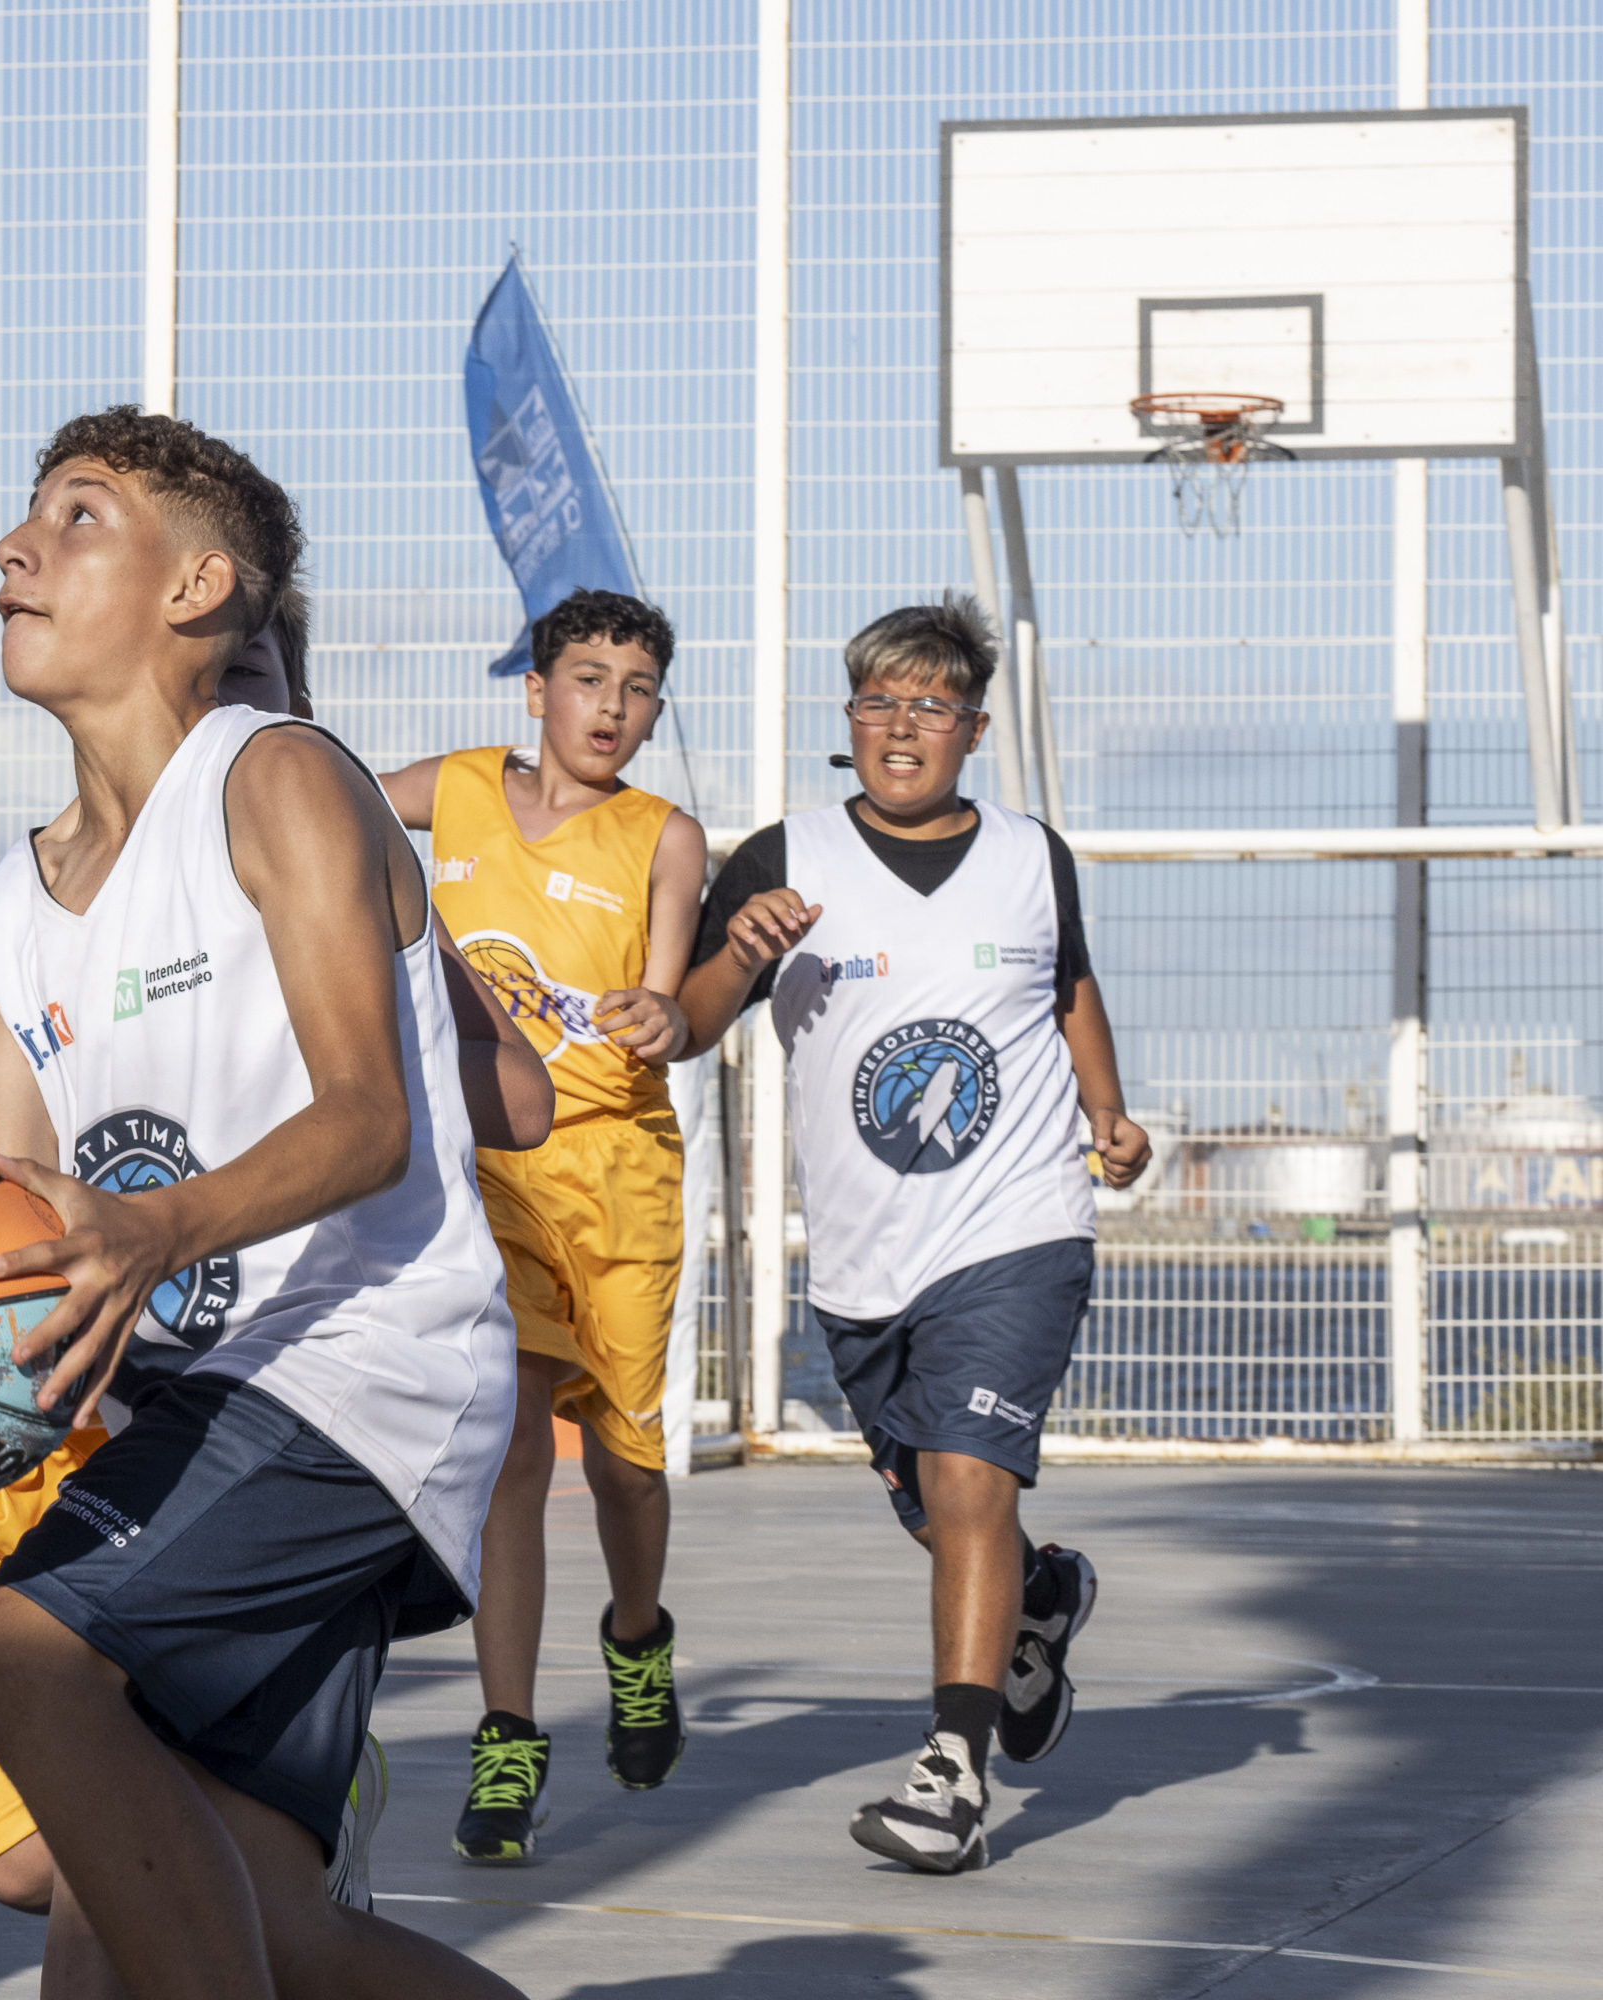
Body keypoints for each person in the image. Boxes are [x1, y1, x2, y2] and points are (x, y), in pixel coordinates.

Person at [0, 404, 526, 1999]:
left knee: (19, 1656)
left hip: (363, 1368)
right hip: (198, 1400)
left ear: (198, 587)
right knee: (204, 1924)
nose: (16, 547)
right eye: (24, 516)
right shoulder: (10, 906)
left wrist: (153, 1226)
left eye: (76, 518)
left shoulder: (281, 778)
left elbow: (371, 1124)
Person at [675, 594, 1148, 1875]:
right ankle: (1037, 1599)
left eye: (929, 703)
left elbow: (1067, 984)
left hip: (1019, 1225)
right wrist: (737, 953)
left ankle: (952, 1773)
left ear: (973, 728)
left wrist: (1107, 1110)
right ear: (850, 720)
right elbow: (689, 1022)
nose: (901, 724)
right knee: (942, 1507)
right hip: (865, 1259)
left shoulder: (1031, 855)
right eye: (879, 700)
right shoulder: (784, 855)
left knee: (968, 1479)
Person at [376, 587, 705, 1862]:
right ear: (536, 687)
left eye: (634, 687)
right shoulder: (453, 791)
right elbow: (306, 786)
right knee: (513, 1450)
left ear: (654, 709)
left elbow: (668, 1003)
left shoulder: (664, 837)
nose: (609, 705)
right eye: (587, 678)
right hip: (491, 1168)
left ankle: (637, 1635)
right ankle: (507, 1733)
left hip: (617, 1174)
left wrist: (659, 1016)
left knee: (623, 1457)